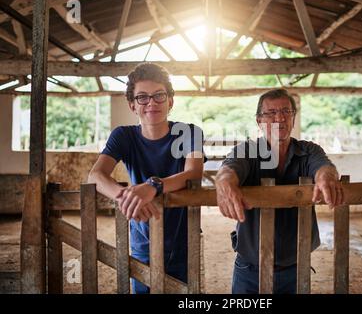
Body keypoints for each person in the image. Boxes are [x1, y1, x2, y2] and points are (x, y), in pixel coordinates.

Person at [88, 63, 206, 293]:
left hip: (184, 238)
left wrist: (153, 185)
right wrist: (125, 196)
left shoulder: (190, 133)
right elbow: (95, 175)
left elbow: (194, 172)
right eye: (142, 97)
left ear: (170, 101)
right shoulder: (123, 136)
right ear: (132, 105)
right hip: (142, 236)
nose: (151, 103)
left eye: (159, 96)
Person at [215, 88, 344, 294]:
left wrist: (326, 177)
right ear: (259, 121)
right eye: (270, 113)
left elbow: (324, 167)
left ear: (293, 117)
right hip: (250, 267)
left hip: (296, 266)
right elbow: (229, 168)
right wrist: (224, 181)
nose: (279, 118)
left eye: (286, 111)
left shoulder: (308, 150)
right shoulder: (247, 150)